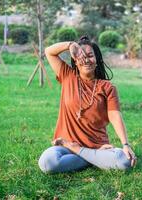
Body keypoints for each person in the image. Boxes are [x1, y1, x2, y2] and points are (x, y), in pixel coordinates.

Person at [38, 36, 136, 173]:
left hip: (97, 146)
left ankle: (80, 152)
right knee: (47, 162)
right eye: (81, 56)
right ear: (75, 61)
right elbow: (49, 51)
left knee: (124, 160)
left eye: (90, 56)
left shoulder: (107, 87)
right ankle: (94, 159)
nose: (86, 60)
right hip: (66, 145)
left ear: (97, 60)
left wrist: (125, 144)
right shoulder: (67, 76)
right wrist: (70, 45)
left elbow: (115, 116)